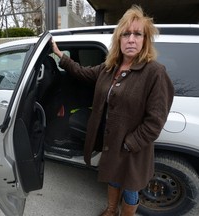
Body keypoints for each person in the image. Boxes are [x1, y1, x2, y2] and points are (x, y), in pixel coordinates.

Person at [51, 4, 174, 216]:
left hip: (133, 147)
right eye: (126, 34)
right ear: (119, 38)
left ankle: (127, 214)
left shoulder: (155, 72)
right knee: (113, 178)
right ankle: (110, 210)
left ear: (145, 40)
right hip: (112, 142)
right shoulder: (110, 67)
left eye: (138, 34)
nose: (131, 39)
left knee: (130, 187)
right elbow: (82, 72)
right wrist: (60, 55)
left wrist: (129, 143)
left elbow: (156, 121)